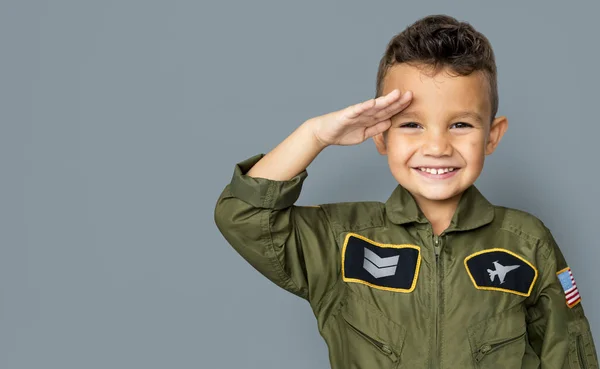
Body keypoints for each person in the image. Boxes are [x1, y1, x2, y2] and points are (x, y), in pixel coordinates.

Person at [213, 14, 598, 369]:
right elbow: (244, 215)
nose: (437, 146)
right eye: (412, 125)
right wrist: (315, 135)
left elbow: (570, 357)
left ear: (492, 137)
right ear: (380, 136)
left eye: (461, 125)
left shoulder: (527, 244)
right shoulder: (342, 241)